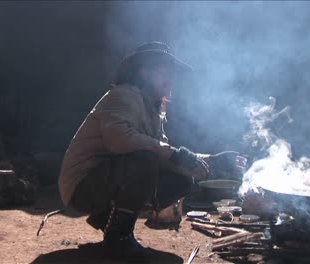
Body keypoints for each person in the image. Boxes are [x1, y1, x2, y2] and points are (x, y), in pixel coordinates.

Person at [58, 41, 242, 259]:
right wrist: (176, 154)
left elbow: (164, 153)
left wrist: (212, 160)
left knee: (181, 178)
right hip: (81, 188)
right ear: (144, 72)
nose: (171, 78)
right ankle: (118, 238)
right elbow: (121, 141)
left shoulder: (153, 107)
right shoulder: (124, 96)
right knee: (144, 159)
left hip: (104, 181)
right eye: (165, 70)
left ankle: (107, 219)